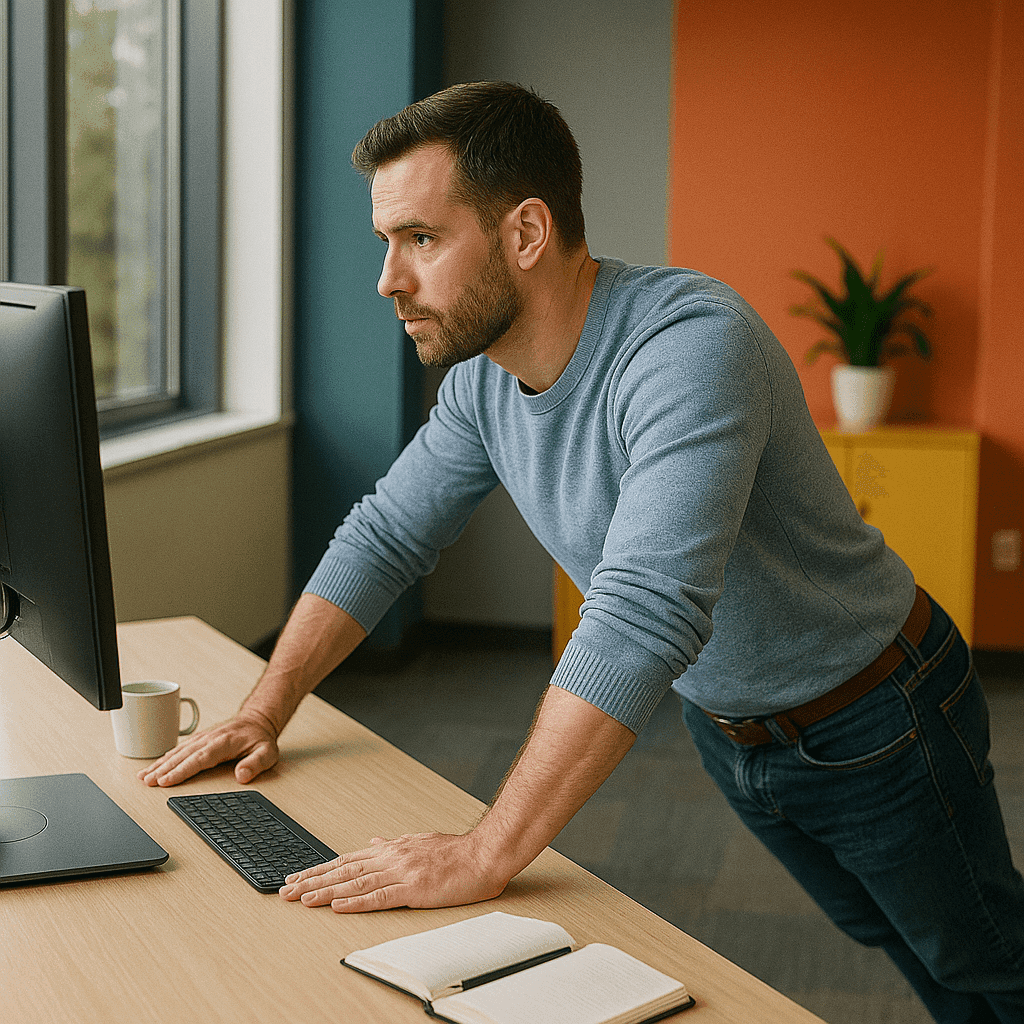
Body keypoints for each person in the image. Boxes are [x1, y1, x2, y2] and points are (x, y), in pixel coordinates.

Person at [139, 82, 1024, 1022]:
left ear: (525, 233)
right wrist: (266, 706)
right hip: (732, 730)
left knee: (985, 963)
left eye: (421, 239)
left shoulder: (688, 347)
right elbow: (388, 533)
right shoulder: (487, 383)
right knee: (899, 943)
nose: (389, 278)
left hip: (878, 714)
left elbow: (644, 613)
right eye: (386, 242)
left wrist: (485, 853)